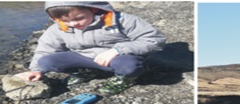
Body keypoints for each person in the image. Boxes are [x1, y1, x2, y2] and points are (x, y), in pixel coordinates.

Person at [21, 1, 165, 95]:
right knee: (46, 62)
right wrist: (36, 70)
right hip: (84, 57)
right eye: (65, 20)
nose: (73, 24)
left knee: (129, 66)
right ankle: (86, 72)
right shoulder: (58, 28)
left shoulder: (123, 20)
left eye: (78, 18)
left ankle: (126, 79)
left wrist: (117, 50)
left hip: (117, 59)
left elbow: (154, 40)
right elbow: (46, 48)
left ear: (94, 9)